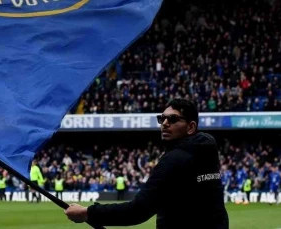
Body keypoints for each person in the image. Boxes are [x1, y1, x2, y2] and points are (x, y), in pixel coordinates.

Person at [64, 98, 229, 229]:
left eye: (173, 119)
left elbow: (138, 211)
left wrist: (87, 213)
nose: (165, 123)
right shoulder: (207, 151)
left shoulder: (174, 160)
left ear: (191, 127)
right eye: (162, 118)